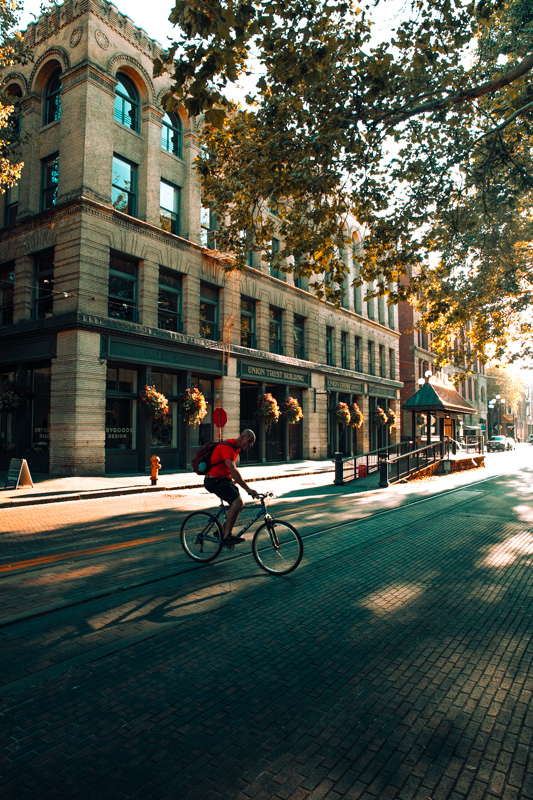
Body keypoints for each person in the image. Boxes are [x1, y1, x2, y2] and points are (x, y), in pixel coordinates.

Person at [204, 429, 259, 546]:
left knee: (240, 504)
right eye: (249, 441)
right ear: (242, 438)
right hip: (213, 480)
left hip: (223, 479)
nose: (251, 445)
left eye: (252, 442)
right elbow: (233, 470)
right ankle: (227, 537)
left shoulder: (236, 448)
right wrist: (247, 489)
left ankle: (222, 531)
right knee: (237, 503)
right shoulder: (228, 448)